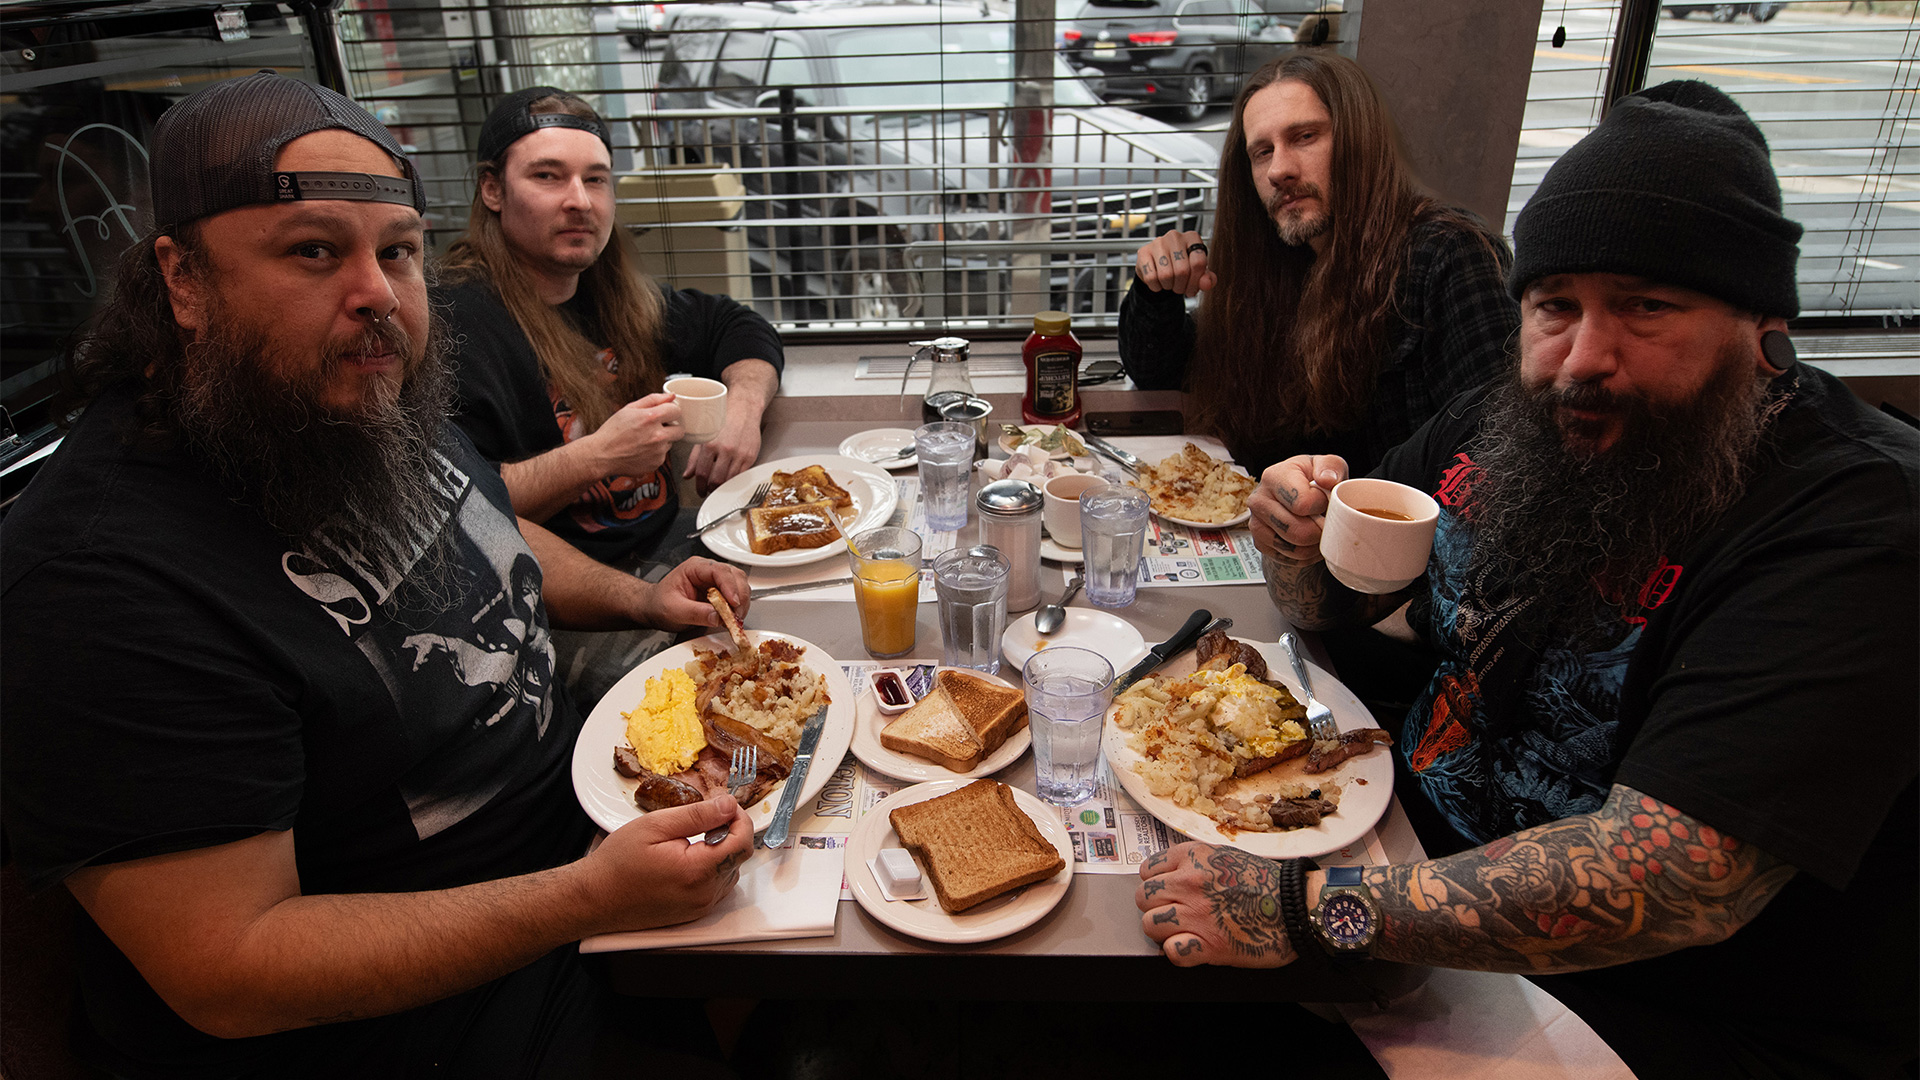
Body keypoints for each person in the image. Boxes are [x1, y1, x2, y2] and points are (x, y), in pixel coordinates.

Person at [1136, 81, 1917, 1079]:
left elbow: (1674, 880)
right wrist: (1294, 544)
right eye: (1556, 306)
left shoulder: (1854, 520)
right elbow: (1331, 607)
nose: (1583, 359)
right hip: (1398, 846)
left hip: (1646, 996)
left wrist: (1304, 911)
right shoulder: (1501, 418)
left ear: (1760, 325)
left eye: (1646, 307)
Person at [0, 73, 757, 1078]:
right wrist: (589, 898)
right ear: (181, 279)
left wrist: (643, 598)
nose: (378, 296)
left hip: (589, 846)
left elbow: (480, 528)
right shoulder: (99, 580)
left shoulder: (352, 398)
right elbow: (228, 967)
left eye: (396, 251)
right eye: (314, 251)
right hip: (440, 1016)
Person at [1119, 50, 1518, 478]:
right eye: (1262, 152)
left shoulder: (1448, 254)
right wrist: (1155, 293)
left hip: (1384, 519)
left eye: (1305, 137)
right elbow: (1160, 371)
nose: (1279, 170)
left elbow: (1496, 455)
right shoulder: (1278, 261)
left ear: (1358, 140)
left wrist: (1341, 505)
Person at [437, 86, 782, 566]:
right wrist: (600, 455)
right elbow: (458, 507)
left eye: (595, 179)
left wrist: (742, 410)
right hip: (569, 588)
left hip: (671, 544)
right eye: (547, 176)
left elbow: (735, 324)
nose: (580, 201)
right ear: (493, 190)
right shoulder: (453, 322)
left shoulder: (608, 290)